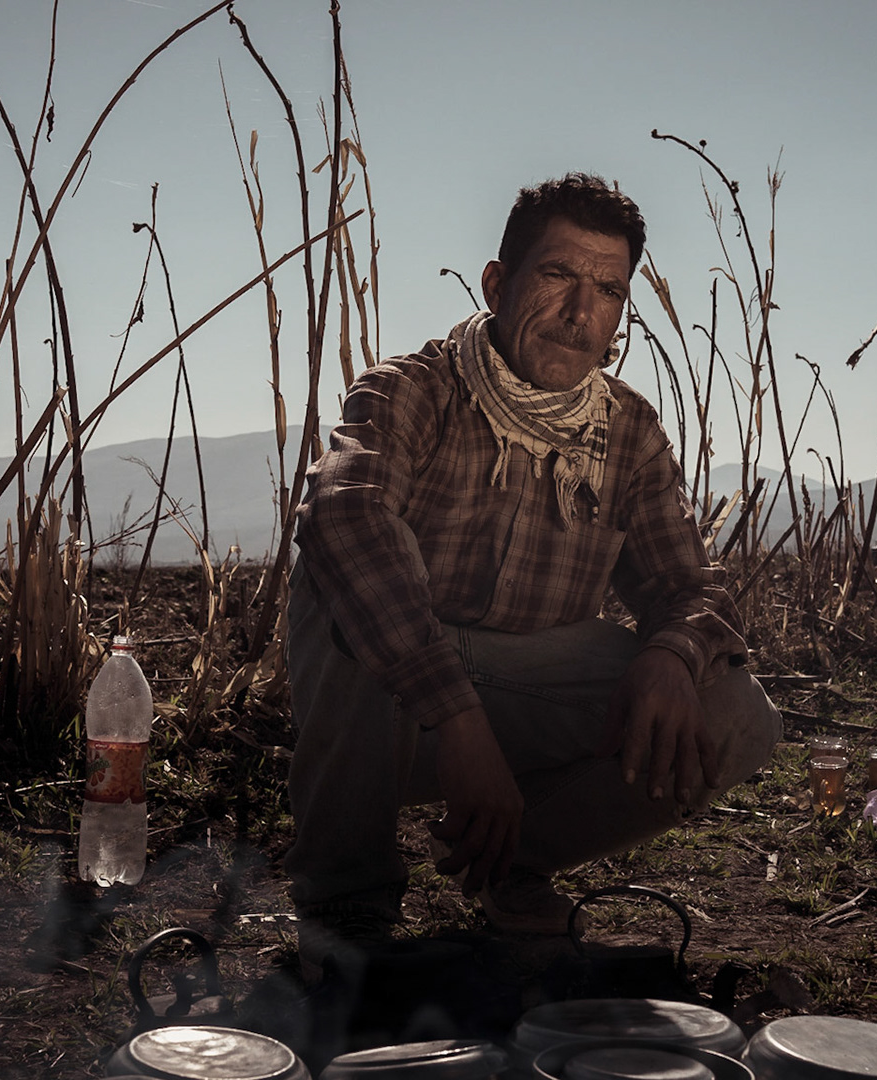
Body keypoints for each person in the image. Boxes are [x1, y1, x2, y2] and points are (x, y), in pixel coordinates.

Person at [285, 173, 781, 970]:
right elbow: (347, 519)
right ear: (497, 282)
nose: (582, 313)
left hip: (520, 691)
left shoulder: (627, 433)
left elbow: (691, 587)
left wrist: (669, 654)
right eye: (557, 276)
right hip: (385, 712)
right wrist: (457, 718)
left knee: (738, 713)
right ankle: (345, 904)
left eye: (609, 289)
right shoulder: (412, 390)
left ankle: (512, 861)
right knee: (359, 579)